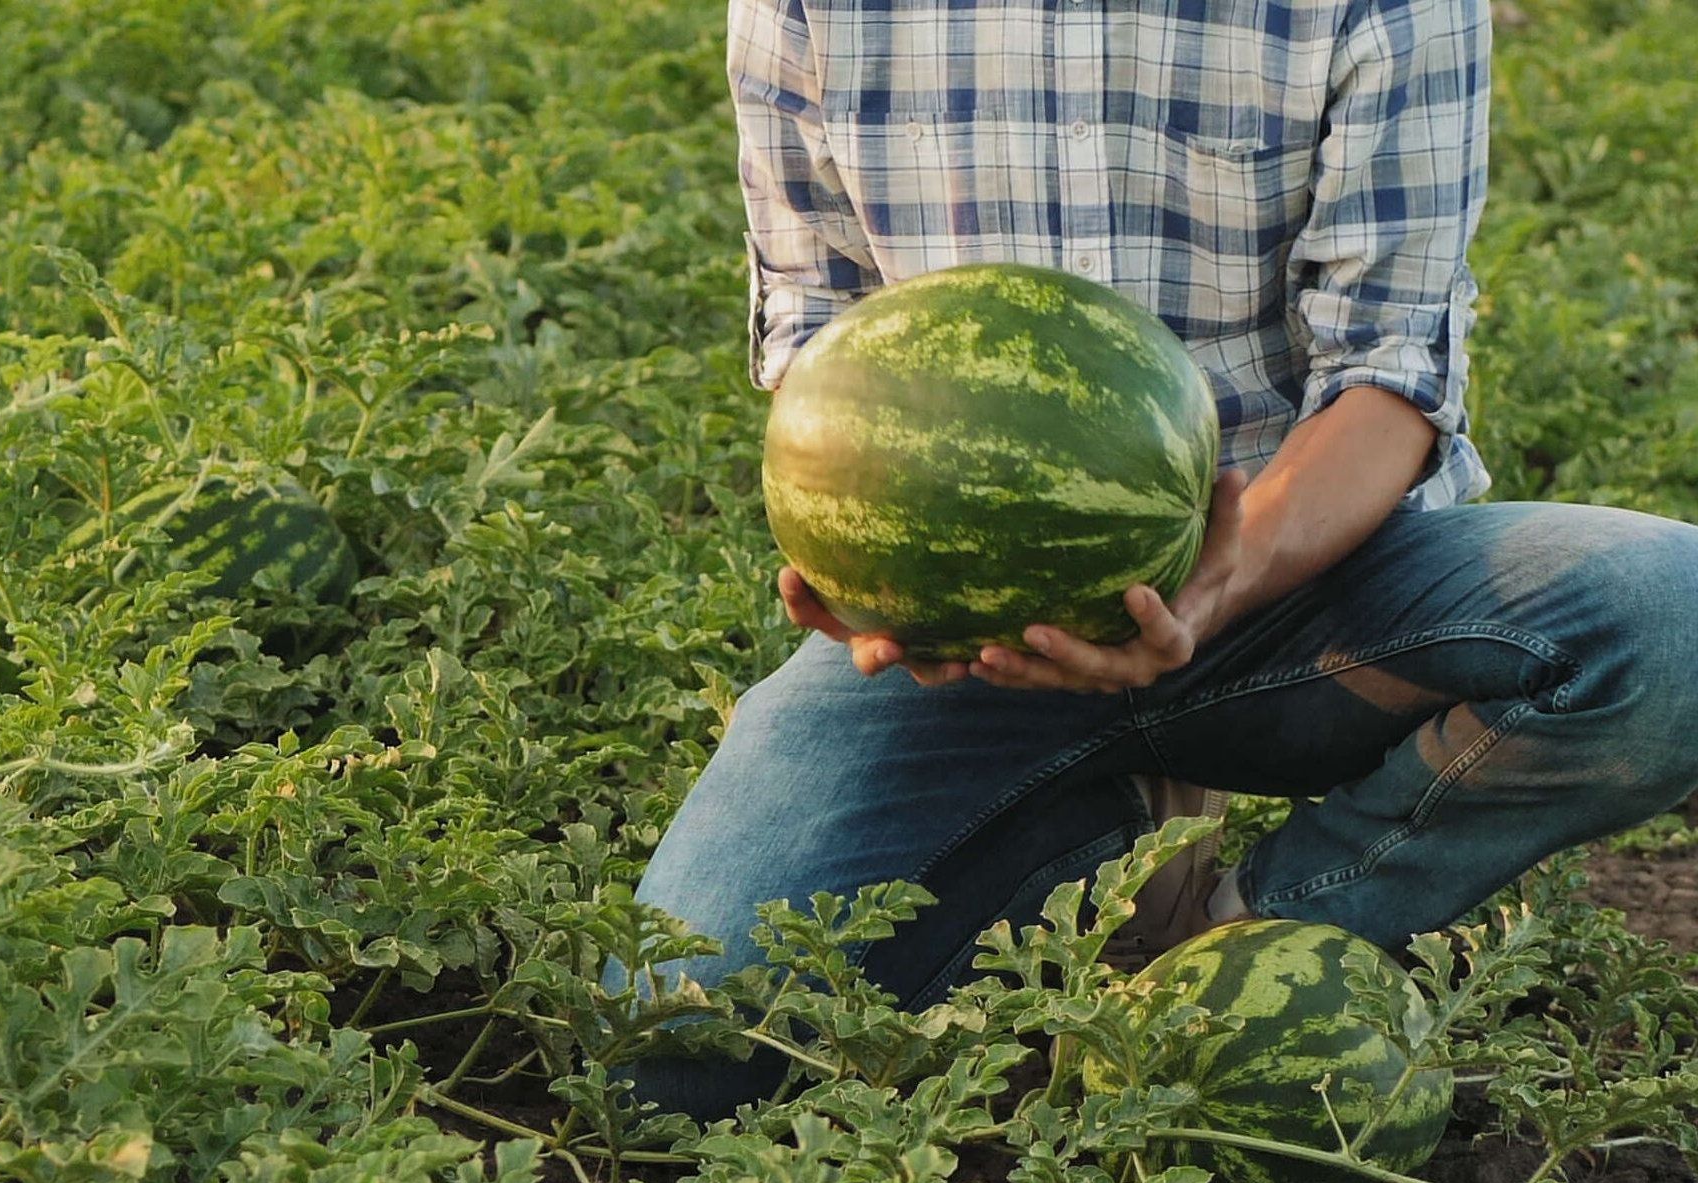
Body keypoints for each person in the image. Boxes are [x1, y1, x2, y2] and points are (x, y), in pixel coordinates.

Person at [599, 0, 1698, 1122]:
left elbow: (1389, 377)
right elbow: (825, 346)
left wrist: (1220, 580)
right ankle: (1102, 827)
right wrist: (873, 572)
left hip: (1310, 581)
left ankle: (1245, 942)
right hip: (977, 641)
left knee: (1671, 622)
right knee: (670, 1051)